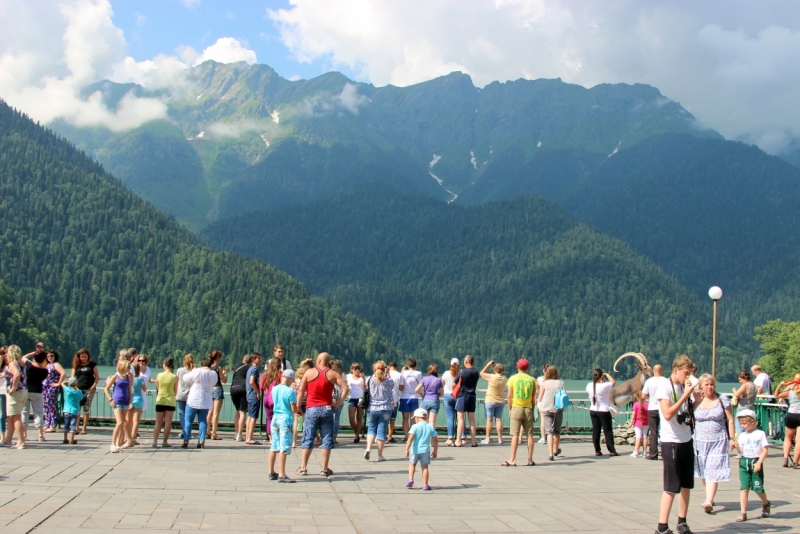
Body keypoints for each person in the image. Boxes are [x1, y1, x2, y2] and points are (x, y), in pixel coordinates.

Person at [654, 354, 699, 534]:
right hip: (671, 440)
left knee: (686, 484)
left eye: (689, 374)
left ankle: (682, 521)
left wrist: (697, 397)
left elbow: (688, 410)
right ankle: (662, 526)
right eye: (685, 373)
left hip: (686, 438)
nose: (687, 377)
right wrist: (686, 394)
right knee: (671, 486)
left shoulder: (683, 385)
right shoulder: (664, 386)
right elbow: (667, 414)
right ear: (676, 370)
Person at [296, 352, 349, 477]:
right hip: (327, 409)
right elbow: (346, 389)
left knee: (308, 437)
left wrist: (298, 407)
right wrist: (338, 403)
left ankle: (303, 467)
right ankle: (324, 468)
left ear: (319, 360)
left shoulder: (309, 373)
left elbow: (301, 391)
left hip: (311, 408)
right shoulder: (333, 374)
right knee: (326, 439)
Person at [692, 374, 734, 514]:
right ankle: (709, 496)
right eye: (707, 384)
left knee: (713, 469)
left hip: (718, 440)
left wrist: (732, 438)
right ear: (701, 386)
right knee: (704, 471)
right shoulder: (697, 400)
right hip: (700, 441)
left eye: (712, 384)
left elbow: (730, 419)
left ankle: (709, 500)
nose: (710, 387)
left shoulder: (722, 399)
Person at [733, 409, 771, 522]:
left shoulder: (760, 434)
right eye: (741, 424)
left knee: (758, 488)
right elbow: (741, 451)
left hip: (755, 461)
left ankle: (766, 503)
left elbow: (765, 450)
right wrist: (737, 446)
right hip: (745, 462)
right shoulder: (742, 435)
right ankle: (743, 513)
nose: (742, 426)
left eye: (744, 423)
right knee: (744, 488)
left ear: (752, 422)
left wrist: (759, 462)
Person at [503, 359, 536, 466]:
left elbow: (509, 396)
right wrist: (532, 408)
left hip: (516, 408)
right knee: (530, 435)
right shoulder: (532, 380)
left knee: (515, 435)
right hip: (528, 408)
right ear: (527, 368)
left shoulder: (512, 379)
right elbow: (534, 398)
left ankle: (512, 459)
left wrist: (510, 409)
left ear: (518, 367)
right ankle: (530, 459)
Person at [182, 357, 218, 449]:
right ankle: (201, 441)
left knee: (188, 420)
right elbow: (214, 383)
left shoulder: (197, 371)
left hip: (193, 399)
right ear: (210, 365)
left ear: (202, 364)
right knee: (202, 421)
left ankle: (186, 440)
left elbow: (185, 378)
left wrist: (192, 371)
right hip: (205, 400)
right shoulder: (213, 374)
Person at [268, 369, 297, 483]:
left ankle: (271, 472)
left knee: (274, 446)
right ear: (290, 379)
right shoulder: (290, 391)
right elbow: (294, 409)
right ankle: (282, 474)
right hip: (285, 418)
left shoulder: (274, 389)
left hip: (275, 417)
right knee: (283, 447)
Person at [364, 360, 396, 461]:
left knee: (371, 429)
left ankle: (368, 448)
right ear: (384, 369)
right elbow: (392, 386)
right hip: (385, 408)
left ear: (374, 369)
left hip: (372, 408)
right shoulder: (389, 381)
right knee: (381, 431)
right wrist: (387, 373)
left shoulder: (368, 379)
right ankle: (379, 455)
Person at [586, 368, 619, 457]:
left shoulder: (589, 385)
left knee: (596, 430)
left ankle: (597, 450)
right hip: (603, 410)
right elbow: (613, 382)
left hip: (593, 409)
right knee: (607, 430)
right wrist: (607, 375)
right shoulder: (604, 386)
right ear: (601, 377)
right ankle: (611, 450)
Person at [104, 359, 133, 453]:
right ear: (123, 367)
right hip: (117, 402)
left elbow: (129, 390)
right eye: (128, 367)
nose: (129, 368)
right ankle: (112, 443)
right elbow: (106, 389)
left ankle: (122, 442)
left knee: (124, 422)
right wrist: (110, 399)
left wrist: (131, 401)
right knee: (119, 422)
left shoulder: (128, 377)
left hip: (125, 401)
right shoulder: (116, 376)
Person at [405, 407, 438, 491]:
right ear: (426, 417)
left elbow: (410, 438)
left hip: (415, 450)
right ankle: (425, 485)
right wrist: (435, 451)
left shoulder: (414, 427)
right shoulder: (430, 427)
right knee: (425, 467)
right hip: (425, 450)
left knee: (412, 464)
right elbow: (435, 440)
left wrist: (407, 449)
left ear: (416, 418)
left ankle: (411, 478)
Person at [21, 344, 48, 442]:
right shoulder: (45, 371)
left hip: (26, 391)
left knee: (24, 413)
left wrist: (34, 352)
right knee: (39, 413)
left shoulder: (28, 365)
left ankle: (24, 434)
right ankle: (40, 435)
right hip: (37, 392)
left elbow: (23, 357)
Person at [3, 345, 28, 449]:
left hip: (16, 393)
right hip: (24, 391)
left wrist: (13, 387)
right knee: (11, 417)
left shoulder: (12, 363)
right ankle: (8, 440)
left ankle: (21, 441)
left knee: (16, 417)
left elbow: (16, 375)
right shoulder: (22, 363)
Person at [538, 365, 564, 461]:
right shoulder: (561, 383)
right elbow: (564, 395)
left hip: (547, 409)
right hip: (558, 409)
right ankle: (555, 450)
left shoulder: (544, 383)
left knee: (549, 432)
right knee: (556, 432)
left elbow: (540, 398)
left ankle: (550, 454)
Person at [71, 348, 99, 435]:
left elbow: (97, 376)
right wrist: (75, 388)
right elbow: (72, 379)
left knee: (86, 408)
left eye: (85, 356)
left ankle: (84, 428)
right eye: (81, 357)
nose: (83, 358)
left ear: (88, 357)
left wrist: (94, 386)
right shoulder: (76, 365)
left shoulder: (92, 365)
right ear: (79, 357)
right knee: (77, 409)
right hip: (78, 389)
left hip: (89, 389)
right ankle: (76, 428)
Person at [642, 364, 668, 460]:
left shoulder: (649, 381)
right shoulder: (666, 381)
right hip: (663, 407)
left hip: (652, 407)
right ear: (662, 371)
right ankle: (666, 453)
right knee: (665, 430)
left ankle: (653, 453)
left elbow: (643, 396)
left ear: (653, 371)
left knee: (653, 432)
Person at [774, 374, 800, 468]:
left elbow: (776, 395)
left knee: (788, 438)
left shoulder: (791, 392)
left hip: (791, 415)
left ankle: (785, 459)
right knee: (799, 441)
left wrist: (780, 386)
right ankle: (796, 463)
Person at [454, 355, 480, 447]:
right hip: (472, 396)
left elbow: (455, 382)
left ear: (466, 362)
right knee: (472, 419)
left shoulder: (462, 371)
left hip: (463, 396)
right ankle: (473, 441)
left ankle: (458, 440)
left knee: (460, 419)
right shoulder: (476, 373)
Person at [152, 357, 178, 448]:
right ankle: (164, 441)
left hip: (160, 399)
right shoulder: (174, 377)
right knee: (168, 422)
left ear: (164, 365)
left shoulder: (159, 375)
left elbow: (158, 388)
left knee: (158, 422)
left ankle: (154, 442)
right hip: (170, 400)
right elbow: (175, 391)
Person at [480, 361, 506, 445]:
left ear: (495, 370)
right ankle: (500, 439)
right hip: (500, 401)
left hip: (490, 400)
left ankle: (487, 438)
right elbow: (497, 373)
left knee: (489, 419)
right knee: (498, 419)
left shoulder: (491, 377)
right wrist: (494, 367)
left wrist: (488, 365)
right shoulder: (504, 378)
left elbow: (481, 373)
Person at [229, 353, 252, 442]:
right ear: (250, 361)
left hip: (233, 388)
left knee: (237, 411)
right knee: (243, 412)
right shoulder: (249, 368)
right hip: (243, 388)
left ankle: (235, 433)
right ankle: (240, 434)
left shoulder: (237, 366)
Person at [42, 351, 66, 433]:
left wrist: (58, 383)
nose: (49, 357)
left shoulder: (56, 365)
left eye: (51, 356)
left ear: (55, 356)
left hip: (51, 388)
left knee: (52, 406)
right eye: (48, 356)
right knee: (46, 406)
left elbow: (63, 373)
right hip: (45, 387)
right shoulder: (47, 365)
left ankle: (53, 425)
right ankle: (47, 424)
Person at [400, 358, 422, 442]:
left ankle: (406, 435)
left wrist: (402, 370)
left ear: (408, 365)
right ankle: (412, 436)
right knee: (413, 418)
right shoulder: (419, 373)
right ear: (415, 365)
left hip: (405, 397)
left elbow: (401, 386)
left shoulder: (404, 373)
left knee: (405, 418)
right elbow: (421, 385)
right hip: (414, 397)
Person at [261, 355, 282, 441]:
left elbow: (261, 387)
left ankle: (270, 438)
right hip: (276, 399)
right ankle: (277, 437)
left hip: (266, 398)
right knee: (277, 418)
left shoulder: (265, 374)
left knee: (269, 418)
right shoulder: (280, 375)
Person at [128, 355, 148, 446]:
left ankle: (127, 438)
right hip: (138, 399)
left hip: (130, 399)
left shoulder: (129, 378)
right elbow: (144, 389)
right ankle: (133, 438)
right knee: (136, 421)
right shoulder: (140, 379)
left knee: (129, 420)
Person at [208, 350, 227, 440]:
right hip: (217, 388)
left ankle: (207, 431)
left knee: (209, 412)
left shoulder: (208, 367)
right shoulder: (217, 368)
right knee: (216, 413)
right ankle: (214, 433)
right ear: (217, 358)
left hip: (209, 389)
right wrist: (225, 373)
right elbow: (224, 380)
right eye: (220, 357)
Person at [175, 354, 194, 442]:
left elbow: (176, 380)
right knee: (189, 415)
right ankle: (188, 431)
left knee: (182, 413)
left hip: (180, 394)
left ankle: (185, 432)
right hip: (190, 395)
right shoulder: (193, 371)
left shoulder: (179, 370)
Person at [732, 371, 756, 438]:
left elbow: (737, 394)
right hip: (750, 408)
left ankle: (740, 442)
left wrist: (734, 390)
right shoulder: (754, 385)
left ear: (744, 378)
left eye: (740, 379)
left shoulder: (745, 385)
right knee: (749, 428)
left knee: (740, 428)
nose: (740, 381)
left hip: (742, 409)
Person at [245, 352, 262, 445]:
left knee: (250, 416)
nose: (260, 360)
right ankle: (250, 438)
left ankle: (247, 436)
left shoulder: (250, 369)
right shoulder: (254, 369)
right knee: (253, 417)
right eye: (258, 358)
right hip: (253, 396)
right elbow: (252, 382)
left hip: (249, 395)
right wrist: (257, 392)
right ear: (253, 360)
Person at [441, 358, 459, 446]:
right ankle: (462, 437)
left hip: (448, 396)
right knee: (460, 418)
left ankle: (450, 437)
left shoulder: (445, 373)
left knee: (450, 417)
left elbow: (442, 383)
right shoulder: (460, 374)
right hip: (458, 396)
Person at [346, 363, 365, 443]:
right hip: (351, 398)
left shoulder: (361, 378)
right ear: (352, 370)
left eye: (358, 369)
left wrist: (363, 378)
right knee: (351, 418)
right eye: (355, 369)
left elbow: (364, 387)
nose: (357, 370)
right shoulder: (348, 376)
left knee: (359, 418)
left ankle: (357, 436)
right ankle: (357, 431)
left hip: (360, 398)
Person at [61, 377, 82, 445]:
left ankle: (65, 439)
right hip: (74, 411)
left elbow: (62, 383)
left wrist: (67, 382)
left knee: (66, 425)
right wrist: (77, 387)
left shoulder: (67, 390)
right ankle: (71, 440)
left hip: (66, 410)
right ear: (76, 383)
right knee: (73, 425)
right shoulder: (79, 392)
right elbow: (80, 398)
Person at [387, 361, 403, 443]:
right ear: (396, 367)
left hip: (385, 399)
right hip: (395, 399)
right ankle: (390, 436)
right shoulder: (399, 374)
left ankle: (382, 436)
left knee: (384, 419)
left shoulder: (385, 373)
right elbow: (401, 388)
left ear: (389, 366)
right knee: (392, 419)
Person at [330, 360, 345, 445]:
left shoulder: (330, 373)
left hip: (331, 398)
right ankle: (334, 437)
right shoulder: (343, 375)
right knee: (337, 419)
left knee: (329, 418)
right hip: (340, 398)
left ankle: (328, 436)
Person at [630, 391, 649, 458]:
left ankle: (636, 452)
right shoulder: (647, 404)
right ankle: (644, 452)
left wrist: (631, 422)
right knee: (645, 436)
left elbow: (634, 414)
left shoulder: (635, 404)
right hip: (646, 422)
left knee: (638, 437)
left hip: (638, 422)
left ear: (637, 397)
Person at [536, 364, 548, 444]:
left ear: (543, 370)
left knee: (543, 419)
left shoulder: (540, 379)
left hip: (542, 400)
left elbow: (537, 390)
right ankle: (551, 436)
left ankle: (543, 437)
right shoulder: (556, 380)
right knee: (551, 420)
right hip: (551, 401)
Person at [0, 347, 7, 443]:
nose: (3, 355)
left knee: (2, 415)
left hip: (5, 391)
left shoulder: (10, 365)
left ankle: (3, 437)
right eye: (2, 353)